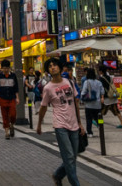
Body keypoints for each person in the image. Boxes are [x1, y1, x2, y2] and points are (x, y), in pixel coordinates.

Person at [37, 57, 85, 186]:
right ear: (48, 71)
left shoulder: (69, 82)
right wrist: (39, 125)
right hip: (60, 125)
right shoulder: (48, 88)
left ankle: (58, 175)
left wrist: (80, 123)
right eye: (50, 66)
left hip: (74, 124)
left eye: (55, 65)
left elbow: (75, 103)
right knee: (69, 157)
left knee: (73, 157)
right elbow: (43, 107)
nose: (53, 67)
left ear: (59, 67)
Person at [0, 59, 19, 139]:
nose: (6, 70)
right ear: (2, 68)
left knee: (13, 114)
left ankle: (12, 125)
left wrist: (17, 98)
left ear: (9, 68)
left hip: (12, 98)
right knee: (4, 115)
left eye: (7, 68)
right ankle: (7, 132)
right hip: (3, 98)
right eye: (4, 68)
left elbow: (16, 88)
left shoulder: (13, 76)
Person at [78, 68, 104, 136]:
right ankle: (101, 129)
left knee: (89, 118)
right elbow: (102, 92)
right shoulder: (99, 82)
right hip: (98, 104)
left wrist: (82, 99)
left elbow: (83, 92)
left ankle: (89, 132)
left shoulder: (87, 82)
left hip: (89, 104)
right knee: (99, 117)